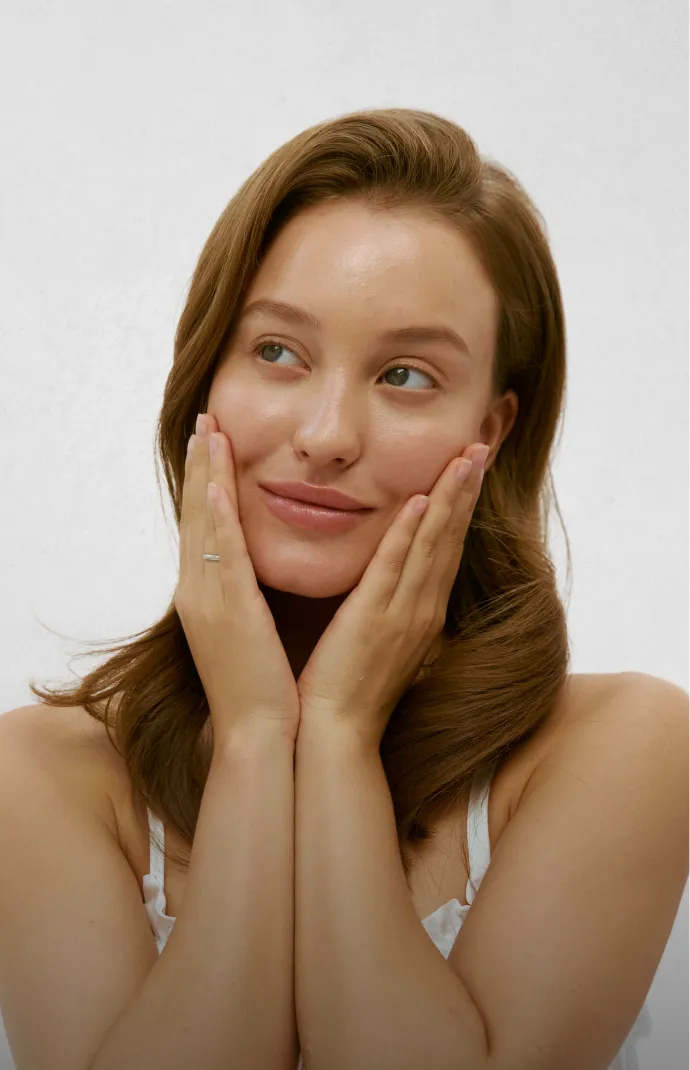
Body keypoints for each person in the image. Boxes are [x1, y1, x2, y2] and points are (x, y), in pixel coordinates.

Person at [0, 107, 687, 1070]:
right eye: (277, 351)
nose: (325, 435)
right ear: (205, 377)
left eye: (405, 374)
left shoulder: (627, 747)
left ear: (489, 431)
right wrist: (253, 736)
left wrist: (337, 734)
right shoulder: (41, 773)